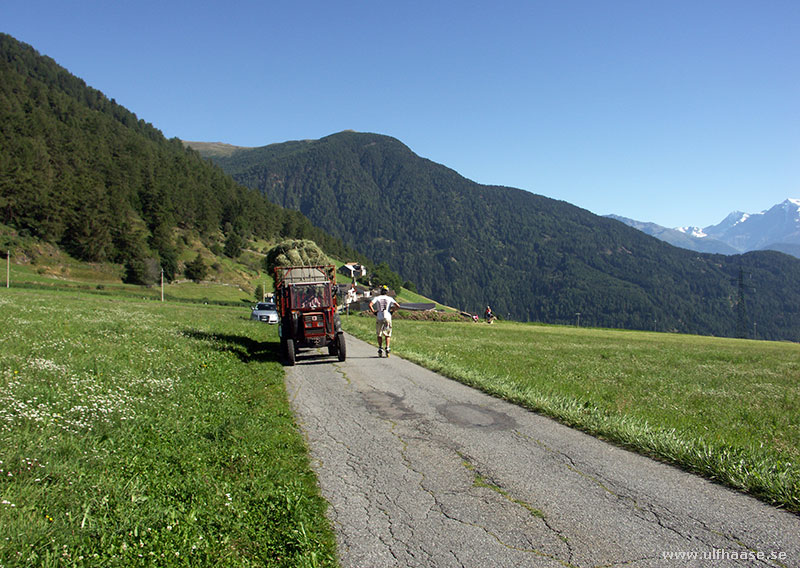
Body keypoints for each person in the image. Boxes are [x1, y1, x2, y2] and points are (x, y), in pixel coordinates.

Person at [369, 285, 399, 357]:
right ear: (387, 292)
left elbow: (370, 305)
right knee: (387, 334)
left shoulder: (377, 298)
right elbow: (398, 306)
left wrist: (374, 312)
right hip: (388, 317)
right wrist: (392, 311)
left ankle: (380, 348)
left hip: (379, 316)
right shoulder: (390, 298)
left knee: (379, 334)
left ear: (381, 291)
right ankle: (387, 348)